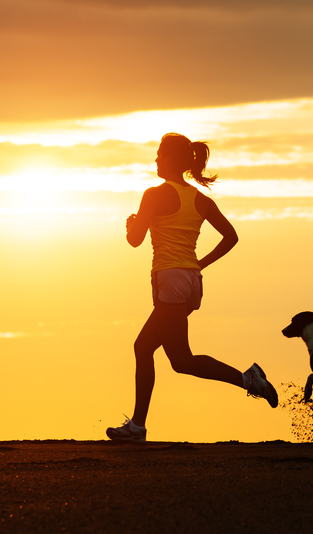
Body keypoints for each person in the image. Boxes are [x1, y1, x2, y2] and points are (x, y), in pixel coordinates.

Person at [106, 133, 278, 443]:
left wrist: (130, 225)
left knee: (171, 356)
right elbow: (231, 237)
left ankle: (247, 379)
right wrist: (200, 264)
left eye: (159, 154)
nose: (156, 159)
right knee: (156, 352)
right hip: (190, 283)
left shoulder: (153, 195)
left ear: (169, 158)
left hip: (170, 280)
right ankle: (138, 426)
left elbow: (135, 240)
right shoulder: (200, 200)